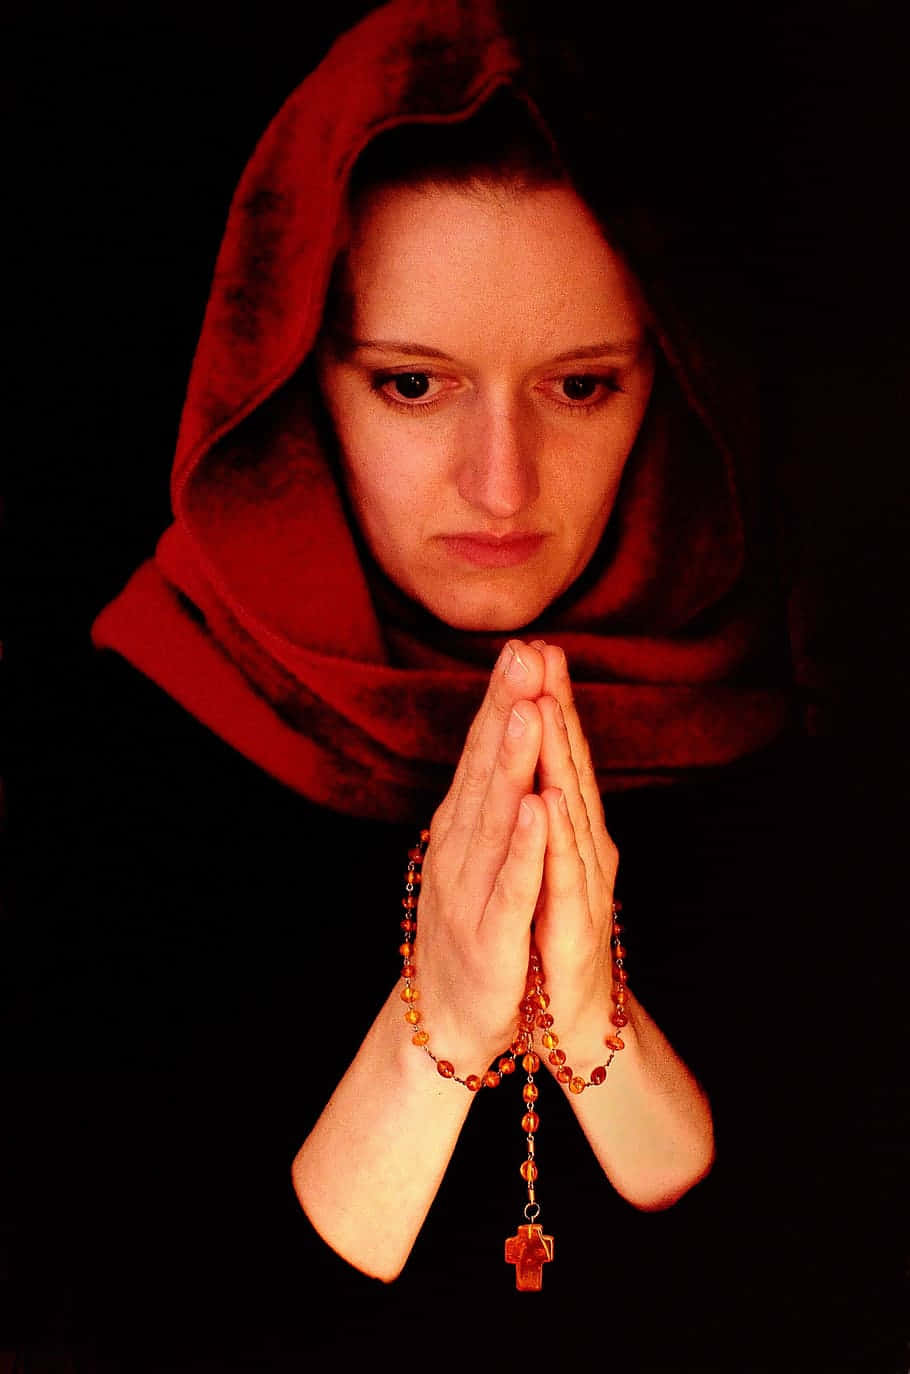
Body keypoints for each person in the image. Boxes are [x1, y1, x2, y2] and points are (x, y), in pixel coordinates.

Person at [7, 1, 905, 1370]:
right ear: (300, 378)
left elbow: (836, 1299)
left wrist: (596, 1024)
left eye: (580, 386)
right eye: (416, 384)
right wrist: (437, 1031)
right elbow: (97, 1320)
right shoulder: (108, 742)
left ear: (674, 384)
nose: (501, 485)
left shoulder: (798, 745)